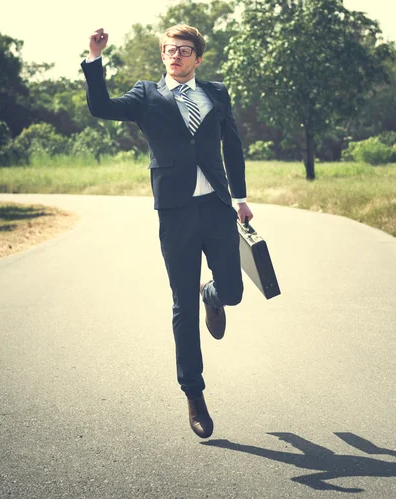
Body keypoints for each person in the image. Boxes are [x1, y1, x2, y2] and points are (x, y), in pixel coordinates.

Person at [82, 24, 253, 439]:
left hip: (215, 205)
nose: (176, 55)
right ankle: (193, 393)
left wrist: (240, 198)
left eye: (184, 50)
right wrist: (93, 58)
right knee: (181, 305)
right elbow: (101, 107)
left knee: (233, 290)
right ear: (163, 55)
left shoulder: (216, 93)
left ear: (197, 57)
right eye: (170, 49)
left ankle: (213, 295)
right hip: (175, 211)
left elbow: (232, 144)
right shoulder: (145, 95)